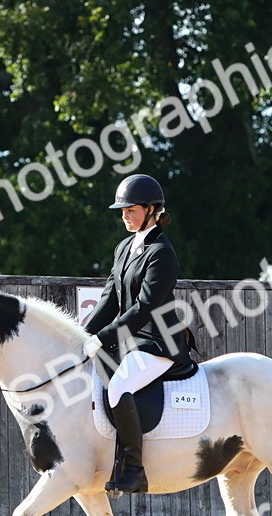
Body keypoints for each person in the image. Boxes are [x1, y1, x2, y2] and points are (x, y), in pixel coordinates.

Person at [82, 174, 195, 495]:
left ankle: (133, 469)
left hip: (159, 342)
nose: (124, 216)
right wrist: (82, 336)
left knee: (119, 385)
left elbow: (145, 307)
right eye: (122, 211)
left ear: (151, 210)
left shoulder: (162, 252)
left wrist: (103, 337)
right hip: (131, 341)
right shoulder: (124, 248)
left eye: (130, 210)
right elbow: (109, 300)